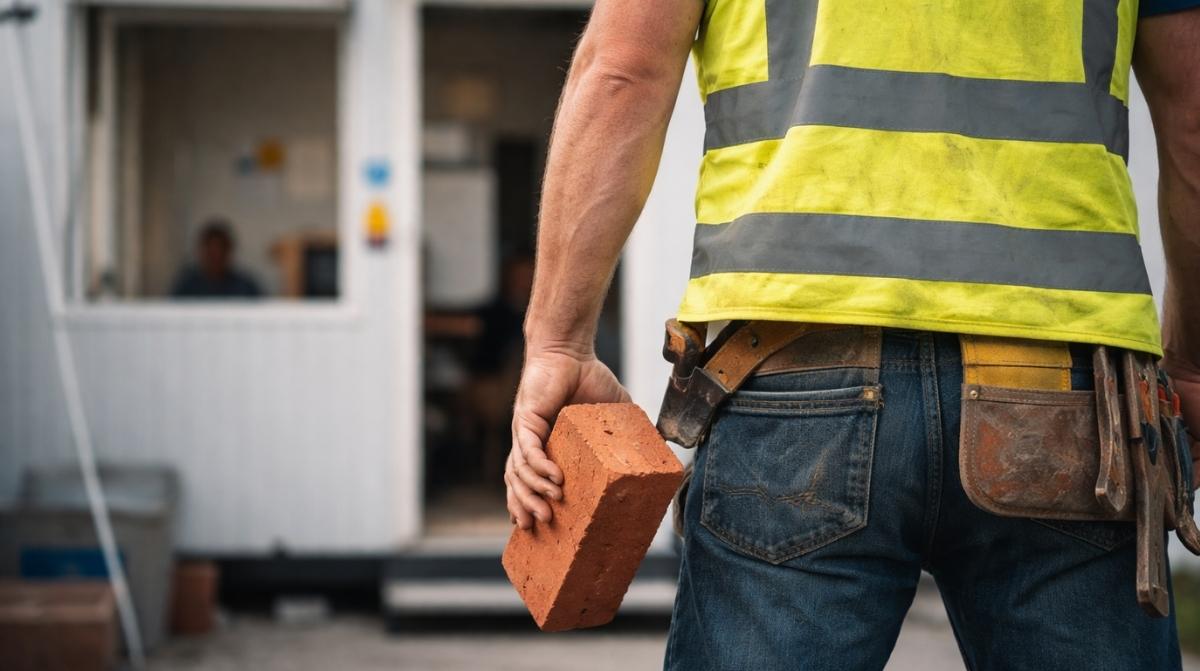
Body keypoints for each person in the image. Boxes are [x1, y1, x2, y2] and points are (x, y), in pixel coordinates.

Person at [503, 1, 1200, 669]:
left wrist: (559, 342)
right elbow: (1192, 116)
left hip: (794, 379)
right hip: (1073, 400)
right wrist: (1191, 363)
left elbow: (624, 70)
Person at [170, 218, 262, 298]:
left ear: (229, 252)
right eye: (211, 253)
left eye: (221, 251)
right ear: (201, 252)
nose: (216, 257)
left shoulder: (245, 286)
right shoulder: (188, 285)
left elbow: (262, 312)